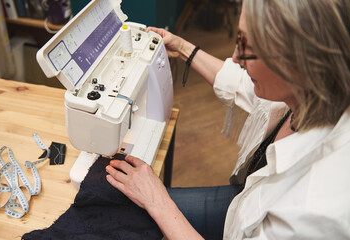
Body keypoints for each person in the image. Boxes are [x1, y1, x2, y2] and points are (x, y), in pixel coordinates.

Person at [105, 0, 350, 239]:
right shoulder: (313, 91)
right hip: (247, 200)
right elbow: (240, 83)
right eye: (238, 40)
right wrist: (181, 48)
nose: (235, 57)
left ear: (297, 64)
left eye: (246, 47)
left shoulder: (312, 210)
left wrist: (158, 202)